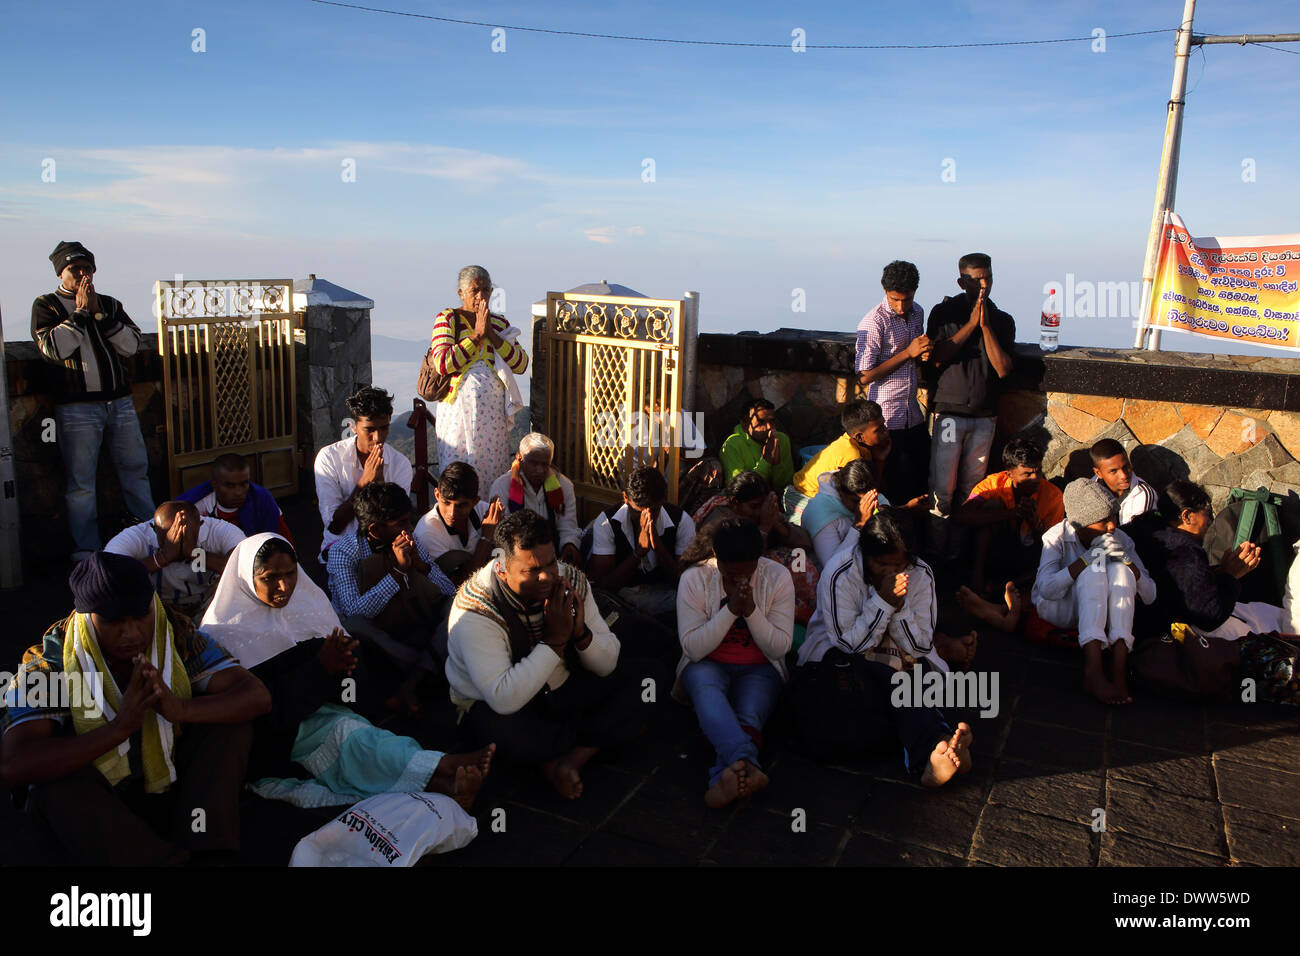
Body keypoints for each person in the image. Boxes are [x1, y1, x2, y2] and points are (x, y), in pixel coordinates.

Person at [0, 552, 269, 865]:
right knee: (54, 784)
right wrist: (119, 728)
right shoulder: (47, 664)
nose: (132, 633)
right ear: (87, 617)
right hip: (101, 801)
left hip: (170, 784)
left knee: (230, 724)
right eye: (114, 621)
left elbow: (256, 695)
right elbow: (14, 765)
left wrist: (180, 708)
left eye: (139, 616)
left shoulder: (176, 634)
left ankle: (208, 847)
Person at [200, 533, 494, 810]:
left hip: (323, 714)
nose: (284, 586)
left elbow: (349, 689)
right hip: (277, 742)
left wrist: (343, 670)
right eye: (269, 578)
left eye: (290, 574)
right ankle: (442, 768)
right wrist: (320, 670)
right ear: (245, 581)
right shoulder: (223, 634)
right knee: (351, 737)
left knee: (360, 735)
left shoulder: (306, 608)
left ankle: (444, 782)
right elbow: (260, 712)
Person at [446, 510, 644, 800]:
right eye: (531, 570)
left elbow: (607, 664)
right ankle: (587, 741)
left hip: (562, 690)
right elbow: (503, 697)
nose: (546, 577)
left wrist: (581, 635)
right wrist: (554, 641)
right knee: (508, 735)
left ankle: (570, 758)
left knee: (647, 680)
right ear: (501, 568)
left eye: (551, 563)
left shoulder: (570, 580)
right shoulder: (475, 610)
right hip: (501, 708)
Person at [791, 512, 972, 787]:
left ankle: (938, 748)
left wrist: (899, 610)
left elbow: (921, 644)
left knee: (914, 668)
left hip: (899, 651)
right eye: (881, 563)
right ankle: (936, 745)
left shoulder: (920, 574)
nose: (890, 571)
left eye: (898, 565)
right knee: (895, 674)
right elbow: (850, 643)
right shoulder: (840, 573)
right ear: (866, 554)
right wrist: (884, 602)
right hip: (839, 653)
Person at [31, 241, 155, 561]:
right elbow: (54, 349)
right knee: (81, 483)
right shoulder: (47, 305)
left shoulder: (110, 305)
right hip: (77, 409)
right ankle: (87, 549)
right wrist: (81, 314)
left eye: (87, 268)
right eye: (75, 269)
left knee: (135, 471)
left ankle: (148, 535)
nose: (83, 274)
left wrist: (99, 313)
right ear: (61, 272)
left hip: (120, 404)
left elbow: (130, 344)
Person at [675, 519, 794, 808]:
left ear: (759, 560)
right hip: (707, 663)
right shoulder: (695, 578)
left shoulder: (777, 577)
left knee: (750, 713)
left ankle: (724, 776)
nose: (739, 580)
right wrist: (730, 611)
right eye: (730, 573)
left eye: (747, 572)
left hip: (760, 667)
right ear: (717, 557)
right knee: (706, 690)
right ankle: (745, 762)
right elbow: (692, 648)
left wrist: (751, 611)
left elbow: (779, 646)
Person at [326, 482, 457, 713]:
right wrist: (397, 572)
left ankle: (413, 681)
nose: (409, 528)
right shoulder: (344, 552)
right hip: (383, 639)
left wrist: (421, 567)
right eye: (401, 523)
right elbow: (353, 612)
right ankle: (427, 669)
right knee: (353, 626)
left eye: (409, 520)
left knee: (457, 607)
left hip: (417, 624)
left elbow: (449, 592)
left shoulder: (410, 540)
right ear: (375, 530)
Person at [1031, 479, 1156, 705]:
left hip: (1101, 613)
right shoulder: (1055, 536)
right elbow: (1046, 589)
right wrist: (1085, 561)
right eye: (1102, 522)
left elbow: (1150, 595)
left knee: (1122, 571)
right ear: (1080, 525)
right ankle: (1094, 670)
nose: (1111, 527)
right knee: (1094, 570)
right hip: (1062, 607)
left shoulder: (1121, 539)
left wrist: (1128, 563)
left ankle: (1119, 666)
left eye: (1113, 518)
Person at [1128, 480, 1290, 642]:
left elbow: (1182, 585)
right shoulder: (1185, 551)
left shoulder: (1145, 527)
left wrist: (1221, 571)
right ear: (1186, 516)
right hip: (1178, 633)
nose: (1210, 521)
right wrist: (1231, 576)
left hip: (1150, 623)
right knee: (1272, 627)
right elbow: (1210, 617)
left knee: (1267, 613)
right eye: (1206, 514)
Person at [926, 253, 1016, 529]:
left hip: (984, 415)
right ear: (961, 281)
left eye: (987, 277)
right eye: (976, 280)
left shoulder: (1001, 319)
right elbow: (937, 355)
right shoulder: (943, 314)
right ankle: (937, 553)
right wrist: (970, 325)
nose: (984, 285)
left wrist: (986, 326)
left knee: (973, 492)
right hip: (950, 413)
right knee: (942, 491)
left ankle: (960, 553)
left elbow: (1003, 368)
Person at [429, 265, 529, 487]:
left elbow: (521, 363)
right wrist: (476, 336)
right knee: (459, 471)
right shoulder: (448, 319)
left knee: (491, 470)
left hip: (492, 416)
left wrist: (491, 334)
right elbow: (444, 363)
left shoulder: (500, 324)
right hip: (457, 413)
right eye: (475, 290)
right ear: (461, 293)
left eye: (486, 290)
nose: (481, 296)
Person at [856, 259, 932, 505]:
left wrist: (923, 354)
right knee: (893, 492)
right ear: (885, 292)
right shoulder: (874, 321)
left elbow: (916, 355)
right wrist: (908, 353)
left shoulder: (918, 312)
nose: (901, 307)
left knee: (920, 485)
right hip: (887, 420)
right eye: (894, 299)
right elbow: (864, 376)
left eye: (907, 299)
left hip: (913, 417)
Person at [314, 385, 413, 559]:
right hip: (339, 551)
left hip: (386, 551)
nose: (378, 437)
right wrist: (365, 482)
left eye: (384, 428)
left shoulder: (400, 463)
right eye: (369, 429)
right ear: (353, 426)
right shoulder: (329, 458)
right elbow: (334, 526)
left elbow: (397, 522)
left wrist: (381, 487)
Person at [585, 465, 697, 619]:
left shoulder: (682, 521)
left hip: (669, 601)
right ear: (625, 498)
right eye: (638, 512)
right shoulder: (607, 523)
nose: (647, 518)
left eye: (654, 511)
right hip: (623, 605)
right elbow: (603, 585)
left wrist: (658, 548)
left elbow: (686, 580)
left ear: (664, 499)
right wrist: (639, 552)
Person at [105, 501, 244, 622]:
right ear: (154, 529)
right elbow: (109, 575)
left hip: (209, 606)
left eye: (186, 535)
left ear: (201, 525)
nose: (178, 541)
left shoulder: (220, 531)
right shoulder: (135, 537)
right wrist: (162, 558)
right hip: (157, 609)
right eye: (170, 535)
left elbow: (246, 569)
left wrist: (195, 554)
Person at [958, 436, 1063, 596]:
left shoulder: (1053, 496)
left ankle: (999, 587)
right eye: (1027, 474)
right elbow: (962, 515)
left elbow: (1052, 548)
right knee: (991, 507)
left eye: (1038, 471)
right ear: (1009, 474)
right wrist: (1011, 514)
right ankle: (977, 579)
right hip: (996, 549)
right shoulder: (993, 484)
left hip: (1028, 555)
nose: (1035, 479)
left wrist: (1034, 523)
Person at [785, 399, 892, 523]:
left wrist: (880, 459)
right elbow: (864, 497)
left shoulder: (860, 446)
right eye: (878, 429)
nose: (886, 430)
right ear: (859, 437)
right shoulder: (851, 455)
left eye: (883, 425)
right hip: (803, 498)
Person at [488, 432, 582, 566]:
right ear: (520, 459)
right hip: (515, 559)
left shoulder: (564, 486)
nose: (539, 470)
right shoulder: (502, 486)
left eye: (545, 464)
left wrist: (569, 545)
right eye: (533, 463)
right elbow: (501, 533)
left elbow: (568, 526)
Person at [415, 461, 503, 584]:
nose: (452, 512)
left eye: (461, 505)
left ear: (475, 501)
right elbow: (458, 586)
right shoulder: (428, 532)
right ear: (437, 495)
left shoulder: (484, 511)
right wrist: (486, 538)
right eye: (446, 502)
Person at [178, 452, 294, 544]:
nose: (238, 492)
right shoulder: (195, 507)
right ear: (214, 484)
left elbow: (284, 542)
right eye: (230, 485)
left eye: (244, 484)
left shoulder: (263, 501)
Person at [801, 459, 887, 568]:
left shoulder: (866, 492)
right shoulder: (819, 512)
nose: (863, 506)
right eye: (856, 501)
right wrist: (859, 525)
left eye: (868, 499)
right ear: (840, 491)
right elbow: (832, 566)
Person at [718, 397, 794, 495]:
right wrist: (766, 461)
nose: (769, 427)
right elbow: (739, 491)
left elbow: (785, 486)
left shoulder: (781, 439)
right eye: (761, 422)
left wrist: (776, 463)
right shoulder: (732, 445)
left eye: (772, 421)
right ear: (745, 426)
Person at [1089, 438, 1157, 527]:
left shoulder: (1143, 495)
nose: (1124, 476)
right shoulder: (1089, 490)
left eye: (1126, 467)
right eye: (1113, 471)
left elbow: (1138, 534)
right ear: (1098, 473)